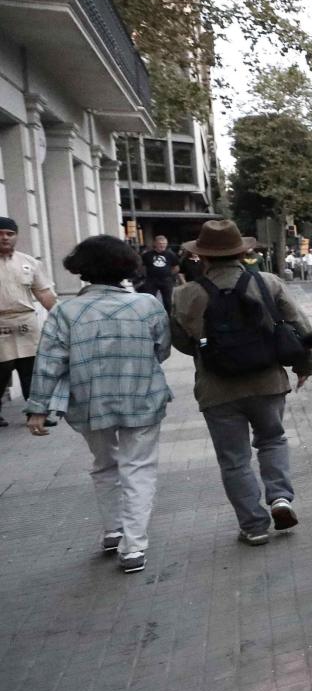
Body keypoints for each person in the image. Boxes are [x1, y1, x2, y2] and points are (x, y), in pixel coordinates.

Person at [24, 236, 171, 574]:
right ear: (127, 267)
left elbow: (49, 362)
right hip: (142, 396)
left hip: (89, 401)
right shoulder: (147, 305)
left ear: (82, 270)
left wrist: (37, 407)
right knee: (138, 467)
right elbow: (161, 350)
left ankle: (113, 529)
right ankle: (134, 547)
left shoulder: (65, 311)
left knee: (104, 463)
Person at [170, 220, 312, 546]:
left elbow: (181, 342)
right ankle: (280, 497)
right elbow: (299, 326)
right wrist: (305, 364)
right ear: (242, 252)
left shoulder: (184, 295)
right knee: (272, 439)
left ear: (202, 257)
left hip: (217, 388)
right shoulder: (267, 283)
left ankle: (253, 526)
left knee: (234, 459)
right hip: (266, 380)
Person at [0, 216, 58, 426]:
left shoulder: (30, 263)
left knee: (32, 371)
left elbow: (44, 294)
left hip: (25, 324)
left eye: (9, 233)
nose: (4, 238)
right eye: (0, 234)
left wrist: (62, 317)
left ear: (16, 236)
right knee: (1, 371)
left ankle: (36, 413)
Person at [138, 234, 180, 309]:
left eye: (164, 244)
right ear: (155, 244)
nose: (162, 245)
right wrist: (146, 275)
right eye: (160, 244)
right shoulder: (147, 255)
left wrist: (169, 274)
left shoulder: (171, 254)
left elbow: (176, 267)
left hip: (166, 280)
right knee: (150, 299)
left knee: (168, 301)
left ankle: (168, 316)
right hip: (151, 280)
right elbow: (142, 266)